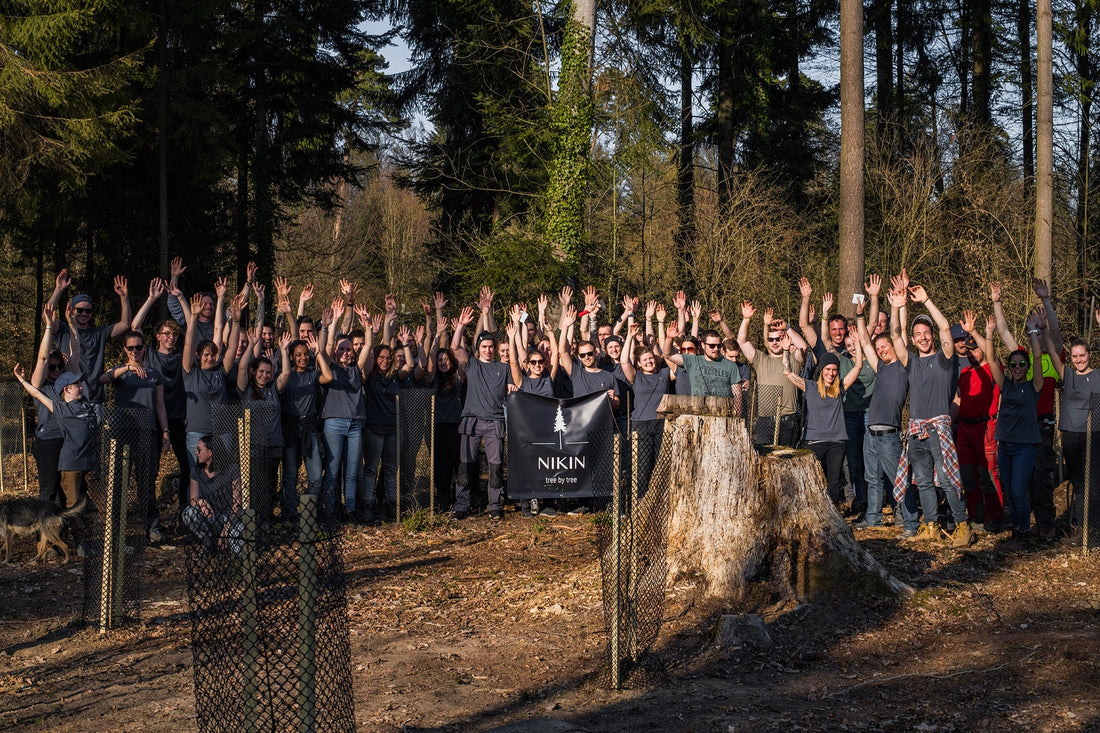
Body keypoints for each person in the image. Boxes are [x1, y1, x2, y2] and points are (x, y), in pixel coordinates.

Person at [889, 275, 975, 548]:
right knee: (923, 481)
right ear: (913, 340)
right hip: (915, 429)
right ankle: (931, 525)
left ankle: (963, 526)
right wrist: (896, 307)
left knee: (948, 478)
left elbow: (946, 329)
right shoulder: (910, 362)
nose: (924, 337)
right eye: (919, 335)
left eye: (927, 333)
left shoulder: (944, 360)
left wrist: (925, 300)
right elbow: (894, 335)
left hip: (938, 428)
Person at [964, 310, 1045, 541]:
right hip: (1005, 445)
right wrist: (988, 335)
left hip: (1025, 446)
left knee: (1019, 491)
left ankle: (1022, 530)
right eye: (1013, 364)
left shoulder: (1033, 387)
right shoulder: (1006, 385)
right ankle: (1018, 528)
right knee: (1009, 491)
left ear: (1027, 367)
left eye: (1021, 364)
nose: (1017, 367)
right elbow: (990, 360)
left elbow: (1037, 358)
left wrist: (1033, 332)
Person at [991, 279, 1062, 542]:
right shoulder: (1022, 359)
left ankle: (1046, 525)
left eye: (1042, 331)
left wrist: (1045, 300)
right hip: (1017, 431)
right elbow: (1003, 331)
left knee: (1042, 477)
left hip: (1041, 426)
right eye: (1035, 331)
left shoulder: (1054, 358)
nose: (1040, 334)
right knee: (1021, 484)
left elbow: (1054, 331)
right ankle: (1024, 525)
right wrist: (997, 302)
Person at [855, 290, 918, 534]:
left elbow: (897, 332)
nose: (880, 350)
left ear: (893, 346)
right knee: (873, 478)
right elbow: (863, 340)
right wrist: (860, 313)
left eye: (884, 346)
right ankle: (875, 520)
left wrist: (895, 306)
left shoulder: (904, 366)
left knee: (899, 481)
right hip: (871, 431)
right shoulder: (880, 367)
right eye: (878, 347)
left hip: (889, 434)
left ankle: (910, 523)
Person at [101, 331, 170, 542]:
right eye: (130, 348)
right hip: (122, 431)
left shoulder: (154, 374)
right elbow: (103, 379)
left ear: (145, 348)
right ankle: (116, 532)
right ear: (125, 349)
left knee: (146, 481)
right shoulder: (120, 371)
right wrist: (127, 368)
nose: (135, 351)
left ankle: (151, 527)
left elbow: (160, 404)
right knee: (118, 482)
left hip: (147, 431)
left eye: (138, 347)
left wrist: (165, 430)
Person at [783, 337, 864, 505]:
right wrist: (785, 351)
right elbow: (788, 373)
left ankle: (833, 515)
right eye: (827, 369)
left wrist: (857, 343)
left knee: (834, 482)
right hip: (815, 441)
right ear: (821, 370)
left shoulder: (840, 388)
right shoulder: (810, 387)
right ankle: (810, 509)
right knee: (811, 480)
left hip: (837, 442)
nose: (831, 373)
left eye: (834, 370)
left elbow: (858, 366)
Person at [316, 302, 374, 522]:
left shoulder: (356, 369)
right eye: (342, 348)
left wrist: (367, 324)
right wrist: (331, 324)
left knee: (351, 472)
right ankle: (331, 510)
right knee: (332, 471)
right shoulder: (330, 367)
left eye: (348, 348)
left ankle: (349, 510)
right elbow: (328, 346)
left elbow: (368, 346)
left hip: (355, 424)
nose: (345, 352)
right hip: (333, 424)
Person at [451, 306, 510, 521]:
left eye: (491, 347)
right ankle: (462, 505)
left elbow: (513, 385)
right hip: (471, 423)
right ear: (478, 348)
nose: (488, 350)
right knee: (466, 465)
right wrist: (461, 325)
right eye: (484, 347)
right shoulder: (472, 365)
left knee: (495, 467)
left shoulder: (504, 368)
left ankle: (495, 505)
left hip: (495, 422)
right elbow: (455, 346)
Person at [48, 269, 132, 410]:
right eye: (80, 310)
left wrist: (124, 298)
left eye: (88, 310)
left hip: (95, 399)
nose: (84, 314)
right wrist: (58, 289)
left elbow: (125, 324)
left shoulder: (99, 333)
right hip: (68, 398)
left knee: (94, 433)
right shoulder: (63, 330)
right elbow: (48, 315)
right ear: (72, 310)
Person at [952, 315, 1005, 532]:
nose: (971, 353)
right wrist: (947, 422)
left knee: (988, 474)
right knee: (968, 474)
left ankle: (995, 517)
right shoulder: (964, 373)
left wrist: (974, 332)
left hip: (985, 427)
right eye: (968, 350)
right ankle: (976, 516)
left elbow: (989, 353)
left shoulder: (992, 369)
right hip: (964, 428)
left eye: (975, 349)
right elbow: (957, 400)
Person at [1047, 318, 1100, 531]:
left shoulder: (1097, 376)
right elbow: (1052, 353)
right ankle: (1082, 523)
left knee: (1095, 482)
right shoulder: (1067, 375)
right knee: (1079, 482)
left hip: (1094, 433)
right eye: (1075, 356)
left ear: (1089, 355)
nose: (1078, 360)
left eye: (1082, 355)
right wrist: (1042, 329)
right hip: (1070, 434)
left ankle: (1095, 526)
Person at [361, 324, 416, 521]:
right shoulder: (370, 377)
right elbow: (364, 364)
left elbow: (409, 366)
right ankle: (367, 504)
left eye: (388, 358)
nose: (385, 361)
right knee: (371, 469)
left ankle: (392, 505)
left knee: (391, 469)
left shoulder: (394, 377)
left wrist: (405, 345)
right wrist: (372, 335)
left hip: (392, 430)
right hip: (374, 430)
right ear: (376, 359)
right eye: (381, 357)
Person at [237, 327, 290, 521]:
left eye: (268, 372)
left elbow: (285, 374)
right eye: (261, 371)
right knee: (254, 484)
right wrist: (251, 345)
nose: (264, 375)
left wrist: (284, 351)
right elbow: (242, 368)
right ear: (254, 372)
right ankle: (252, 520)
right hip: (252, 446)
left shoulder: (274, 389)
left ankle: (265, 519)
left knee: (269, 484)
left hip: (274, 444)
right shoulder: (246, 389)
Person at [182, 292, 242, 459]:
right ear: (198, 356)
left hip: (222, 431)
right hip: (197, 431)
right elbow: (188, 343)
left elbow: (232, 347)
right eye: (206, 355)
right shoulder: (190, 372)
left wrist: (236, 322)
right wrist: (193, 317)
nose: (210, 358)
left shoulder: (220, 371)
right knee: (197, 475)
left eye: (213, 355)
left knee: (221, 475)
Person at [737, 301, 806, 447]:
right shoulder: (760, 359)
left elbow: (803, 347)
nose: (774, 343)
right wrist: (746, 319)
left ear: (785, 338)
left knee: (787, 461)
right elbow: (742, 342)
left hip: (788, 420)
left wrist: (787, 328)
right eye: (771, 339)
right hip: (765, 421)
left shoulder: (793, 360)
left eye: (778, 339)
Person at [620, 323, 671, 498]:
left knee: (661, 465)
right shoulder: (636, 376)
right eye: (645, 360)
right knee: (641, 468)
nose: (649, 361)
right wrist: (629, 336)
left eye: (651, 358)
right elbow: (624, 361)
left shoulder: (664, 373)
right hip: (640, 425)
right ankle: (639, 501)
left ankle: (659, 500)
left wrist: (657, 326)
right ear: (640, 364)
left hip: (662, 424)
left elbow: (663, 353)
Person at [278, 334, 323, 520]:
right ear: (292, 357)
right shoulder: (287, 376)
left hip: (308, 428)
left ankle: (308, 510)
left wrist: (318, 353)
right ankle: (290, 511)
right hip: (290, 428)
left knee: (316, 476)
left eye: (305, 354)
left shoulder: (313, 374)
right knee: (290, 474)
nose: (303, 358)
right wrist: (282, 351)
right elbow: (283, 379)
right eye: (298, 355)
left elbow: (328, 376)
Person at [28, 304, 69, 505]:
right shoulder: (39, 385)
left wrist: (72, 325)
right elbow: (43, 358)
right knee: (49, 488)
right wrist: (49, 328)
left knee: (67, 490)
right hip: (47, 441)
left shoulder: (68, 384)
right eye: (52, 367)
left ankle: (62, 529)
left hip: (68, 440)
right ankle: (42, 532)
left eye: (60, 366)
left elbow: (76, 356)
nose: (56, 370)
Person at [181, 435, 243, 554]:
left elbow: (237, 505)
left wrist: (226, 531)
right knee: (189, 513)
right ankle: (208, 541)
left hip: (230, 519)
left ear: (210, 452)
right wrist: (200, 502)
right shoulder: (196, 471)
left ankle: (226, 544)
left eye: (199, 450)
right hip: (210, 518)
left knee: (239, 551)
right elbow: (193, 498)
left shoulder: (232, 470)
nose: (195, 452)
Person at [661, 323, 744, 402]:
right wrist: (669, 338)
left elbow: (737, 395)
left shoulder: (730, 365)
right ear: (703, 345)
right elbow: (667, 354)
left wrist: (737, 415)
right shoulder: (693, 361)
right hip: (698, 410)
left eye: (718, 346)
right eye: (712, 346)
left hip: (723, 412)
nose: (716, 349)